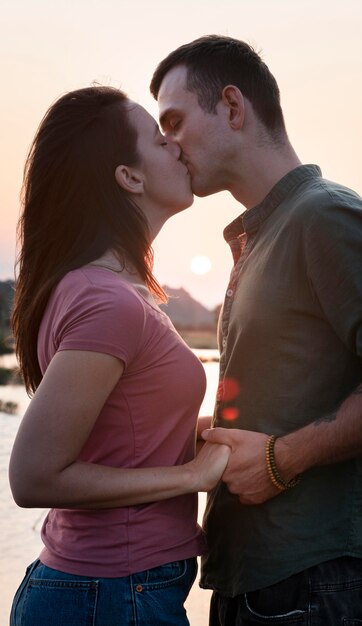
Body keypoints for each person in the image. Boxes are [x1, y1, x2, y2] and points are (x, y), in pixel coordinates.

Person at [150, 35, 362, 625]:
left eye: (173, 121)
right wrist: (221, 435)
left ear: (232, 107)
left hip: (314, 583)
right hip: (264, 578)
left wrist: (280, 459)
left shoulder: (324, 216)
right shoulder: (267, 233)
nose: (166, 145)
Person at [9, 85, 230, 626]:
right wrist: (192, 476)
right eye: (160, 139)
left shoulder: (99, 288)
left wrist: (191, 430)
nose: (177, 146)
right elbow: (33, 476)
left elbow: (115, 432)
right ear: (128, 177)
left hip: (105, 591)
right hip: (109, 595)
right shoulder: (109, 300)